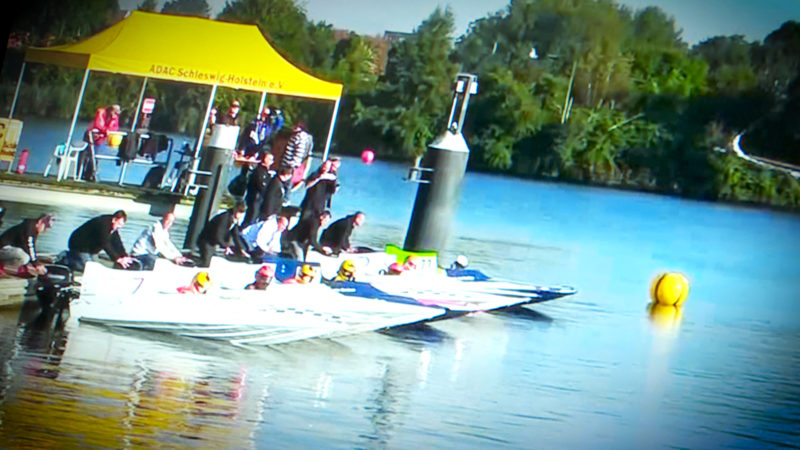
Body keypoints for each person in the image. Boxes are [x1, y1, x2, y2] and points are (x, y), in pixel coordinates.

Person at [62, 210, 135, 272]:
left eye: (121, 226)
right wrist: (117, 258)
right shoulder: (103, 224)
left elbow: (117, 242)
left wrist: (124, 255)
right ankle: (66, 259)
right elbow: (104, 243)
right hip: (79, 245)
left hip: (91, 248)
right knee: (88, 268)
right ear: (114, 220)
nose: (119, 227)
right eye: (119, 224)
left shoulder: (113, 226)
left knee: (95, 265)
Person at [196, 203, 247, 267]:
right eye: (239, 212)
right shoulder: (224, 218)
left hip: (213, 243)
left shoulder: (233, 220)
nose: (240, 215)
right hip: (206, 241)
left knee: (212, 261)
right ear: (235, 209)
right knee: (206, 262)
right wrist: (226, 246)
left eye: (242, 213)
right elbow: (218, 235)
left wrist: (241, 248)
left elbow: (236, 235)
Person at [80, 104, 121, 181]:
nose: (115, 113)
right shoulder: (101, 112)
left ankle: (91, 173)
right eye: (114, 111)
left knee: (96, 156)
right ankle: (83, 172)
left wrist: (110, 126)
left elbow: (115, 127)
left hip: (101, 139)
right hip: (91, 136)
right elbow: (98, 124)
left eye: (117, 112)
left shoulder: (115, 117)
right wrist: (106, 130)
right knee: (88, 155)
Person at [243, 153, 275, 226]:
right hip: (255, 199)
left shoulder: (266, 172)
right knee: (251, 218)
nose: (272, 162)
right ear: (265, 159)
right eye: (270, 160)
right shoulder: (259, 171)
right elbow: (261, 186)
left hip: (259, 200)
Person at [279, 122, 314, 189]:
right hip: (287, 163)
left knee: (286, 185)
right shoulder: (295, 136)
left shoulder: (300, 137)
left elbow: (299, 153)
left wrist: (292, 165)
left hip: (289, 166)